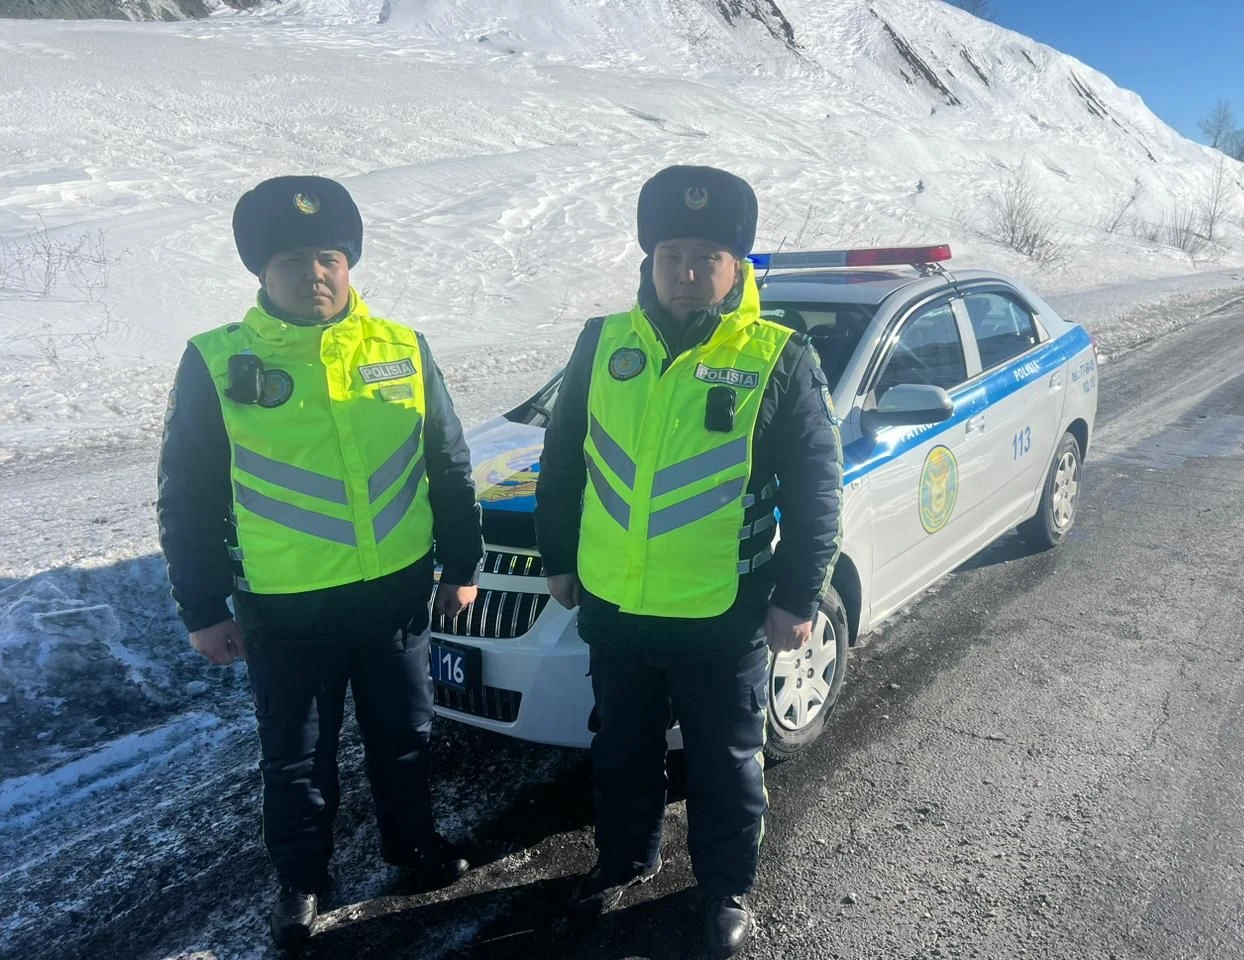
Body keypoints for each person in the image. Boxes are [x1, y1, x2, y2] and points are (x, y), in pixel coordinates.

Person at [156, 176, 484, 947]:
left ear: (350, 263)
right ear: (262, 271)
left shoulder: (403, 347)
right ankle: (302, 883)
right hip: (287, 607)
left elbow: (448, 465)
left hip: (396, 598)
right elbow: (187, 495)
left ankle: (415, 850)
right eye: (295, 258)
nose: (315, 274)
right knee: (297, 761)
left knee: (406, 737)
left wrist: (460, 566)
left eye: (330, 256)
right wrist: (203, 608)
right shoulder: (217, 362)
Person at [534, 165, 843, 958]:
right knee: (623, 750)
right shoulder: (602, 343)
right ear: (649, 260)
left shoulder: (779, 356)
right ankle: (626, 859)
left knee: (726, 764)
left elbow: (817, 492)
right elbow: (563, 461)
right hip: (617, 607)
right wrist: (559, 561)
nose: (687, 270)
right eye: (672, 253)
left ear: (737, 266)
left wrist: (797, 595)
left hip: (722, 611)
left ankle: (725, 887)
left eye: (707, 254)